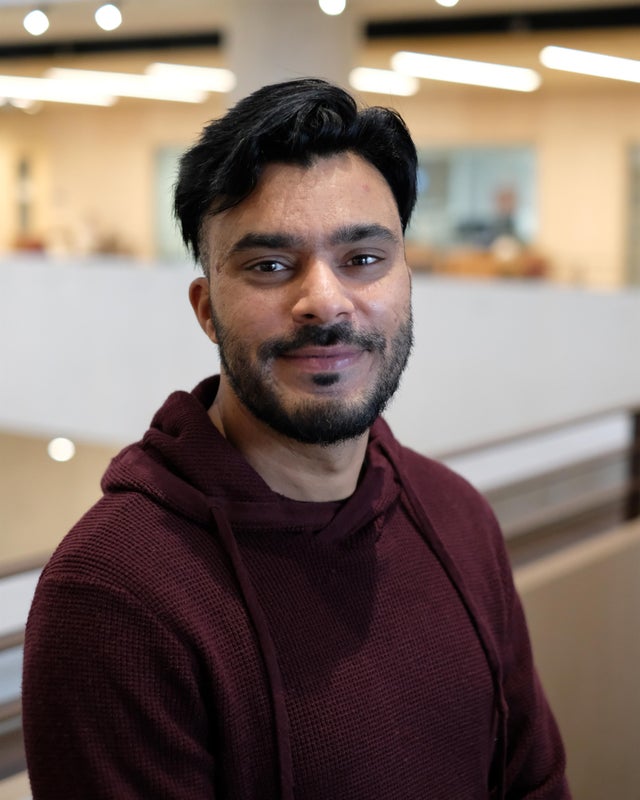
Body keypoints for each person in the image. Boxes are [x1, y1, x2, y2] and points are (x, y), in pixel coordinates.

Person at [22, 78, 570, 800]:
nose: (324, 302)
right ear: (207, 310)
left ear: (407, 283)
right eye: (270, 266)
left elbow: (535, 783)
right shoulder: (115, 597)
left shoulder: (457, 516)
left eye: (363, 259)